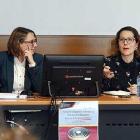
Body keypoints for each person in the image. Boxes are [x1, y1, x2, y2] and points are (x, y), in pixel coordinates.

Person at [0, 27, 43, 93]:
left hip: (29, 102)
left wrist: (32, 64)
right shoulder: (2, 58)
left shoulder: (38, 59)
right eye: (31, 42)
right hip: (6, 101)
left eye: (35, 41)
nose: (35, 45)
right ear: (18, 43)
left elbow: (40, 88)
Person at [102, 26, 140, 94]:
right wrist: (103, 76)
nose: (125, 43)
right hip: (112, 103)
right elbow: (98, 90)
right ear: (118, 44)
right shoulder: (108, 62)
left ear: (136, 44)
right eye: (122, 39)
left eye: (130, 39)